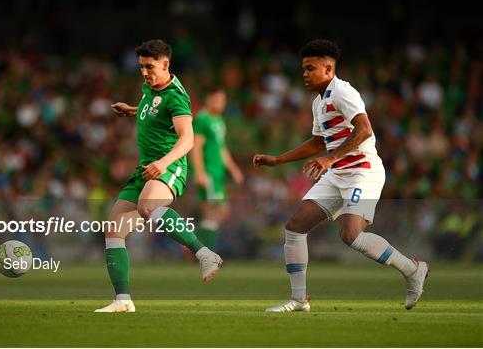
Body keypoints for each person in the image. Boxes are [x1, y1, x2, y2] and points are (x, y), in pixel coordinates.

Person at [253, 39, 429, 312]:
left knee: (350, 235)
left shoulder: (343, 92)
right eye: (303, 68)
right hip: (336, 173)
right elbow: (317, 142)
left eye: (310, 68)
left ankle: (412, 269)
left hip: (362, 172)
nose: (305, 74)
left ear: (328, 69)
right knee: (295, 227)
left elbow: (364, 129)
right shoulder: (318, 102)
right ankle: (299, 300)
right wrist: (278, 159)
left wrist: (331, 158)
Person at [95, 39, 222, 313]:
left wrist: (164, 163)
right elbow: (152, 109)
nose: (144, 72)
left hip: (169, 166)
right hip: (145, 169)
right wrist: (132, 110)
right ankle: (123, 300)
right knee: (114, 228)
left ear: (165, 64)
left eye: (149, 67)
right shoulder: (150, 86)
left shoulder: (176, 96)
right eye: (141, 67)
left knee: (147, 206)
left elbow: (187, 139)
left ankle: (205, 254)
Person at [190, 87, 244, 250]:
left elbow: (221, 148)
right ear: (208, 98)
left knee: (217, 211)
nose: (221, 104)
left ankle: (194, 247)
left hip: (218, 174)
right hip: (209, 173)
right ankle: (201, 250)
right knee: (217, 210)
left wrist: (233, 168)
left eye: (223, 100)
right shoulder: (202, 120)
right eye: (217, 100)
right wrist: (199, 172)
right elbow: (196, 146)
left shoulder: (219, 121)